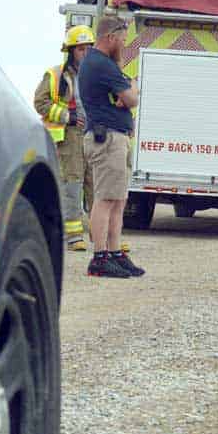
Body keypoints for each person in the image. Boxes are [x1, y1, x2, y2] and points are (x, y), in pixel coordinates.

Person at [78, 16, 144, 278]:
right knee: (105, 200)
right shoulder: (100, 64)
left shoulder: (104, 64)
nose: (124, 44)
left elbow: (127, 94)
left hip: (116, 137)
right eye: (122, 39)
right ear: (110, 37)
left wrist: (128, 89)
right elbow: (131, 98)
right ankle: (100, 258)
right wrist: (131, 90)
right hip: (106, 138)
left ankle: (115, 253)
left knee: (118, 200)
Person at [33, 25, 95, 251]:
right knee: (73, 184)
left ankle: (101, 238)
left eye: (89, 48)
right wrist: (67, 116)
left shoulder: (95, 74)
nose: (85, 53)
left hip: (93, 135)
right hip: (69, 137)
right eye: (81, 49)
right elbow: (40, 103)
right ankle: (74, 237)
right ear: (70, 51)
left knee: (95, 184)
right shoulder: (56, 75)